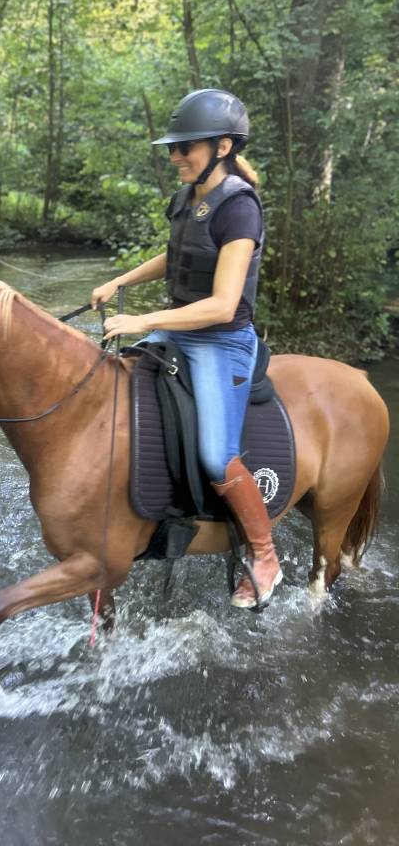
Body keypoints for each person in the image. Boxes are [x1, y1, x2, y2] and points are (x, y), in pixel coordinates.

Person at [92, 88, 282, 608]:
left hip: (222, 342)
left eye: (185, 147)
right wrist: (120, 281)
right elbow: (177, 252)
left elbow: (223, 305)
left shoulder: (240, 208)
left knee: (216, 456)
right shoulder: (188, 198)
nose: (175, 156)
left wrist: (142, 318)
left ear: (222, 146)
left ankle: (265, 555)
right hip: (179, 331)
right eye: (173, 148)